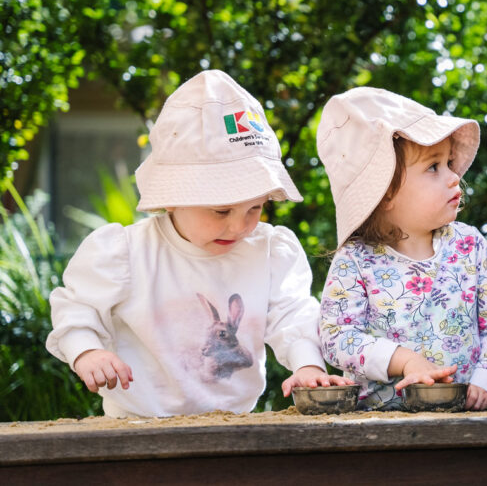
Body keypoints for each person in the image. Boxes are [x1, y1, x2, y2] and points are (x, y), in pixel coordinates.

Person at [47, 70, 351, 418]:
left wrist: (307, 366)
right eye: (221, 210)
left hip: (232, 424)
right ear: (171, 196)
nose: (240, 225)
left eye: (255, 207)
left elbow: (292, 314)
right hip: (136, 427)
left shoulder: (267, 250)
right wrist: (87, 351)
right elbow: (77, 308)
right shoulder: (129, 252)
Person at [316, 87, 487, 411]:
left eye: (449, 162)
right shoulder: (355, 261)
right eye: (433, 167)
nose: (454, 178)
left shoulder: (471, 246)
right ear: (386, 193)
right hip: (380, 424)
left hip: (466, 415)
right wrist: (402, 360)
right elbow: (337, 337)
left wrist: (485, 382)